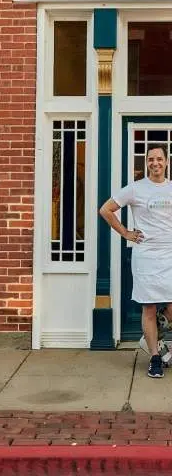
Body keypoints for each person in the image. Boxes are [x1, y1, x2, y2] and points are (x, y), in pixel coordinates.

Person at [99, 143, 172, 379]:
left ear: (166, 162)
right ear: (146, 163)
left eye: (159, 159)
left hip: (170, 254)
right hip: (146, 256)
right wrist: (126, 233)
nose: (155, 163)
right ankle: (154, 357)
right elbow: (106, 210)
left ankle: (158, 332)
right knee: (149, 307)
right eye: (151, 159)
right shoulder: (135, 189)